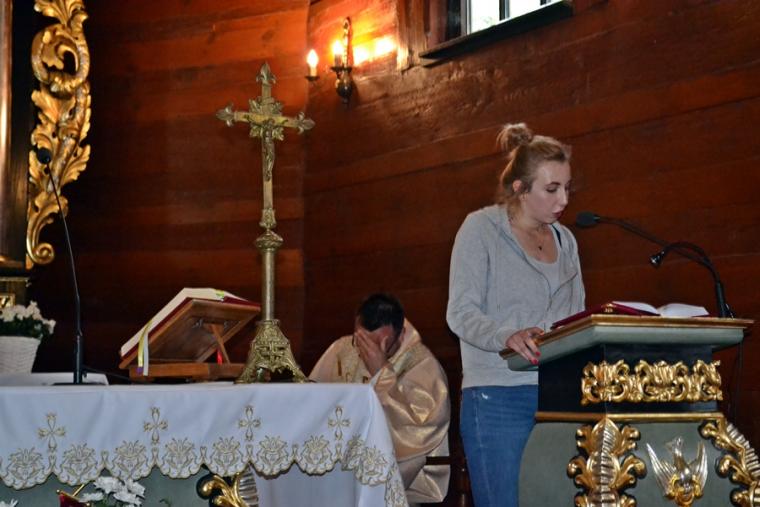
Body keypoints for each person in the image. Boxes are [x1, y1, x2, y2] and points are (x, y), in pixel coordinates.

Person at [446, 123, 585, 507]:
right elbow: (460, 312)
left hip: (557, 396)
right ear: (521, 189)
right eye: (551, 189)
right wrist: (505, 335)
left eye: (567, 188)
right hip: (497, 397)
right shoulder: (481, 229)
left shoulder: (567, 240)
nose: (563, 200)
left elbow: (575, 317)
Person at [310, 293, 451, 504]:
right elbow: (313, 403)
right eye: (362, 342)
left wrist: (382, 374)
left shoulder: (422, 364)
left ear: (401, 334)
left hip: (399, 481)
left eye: (381, 345)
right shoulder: (341, 350)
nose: (369, 352)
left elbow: (420, 429)